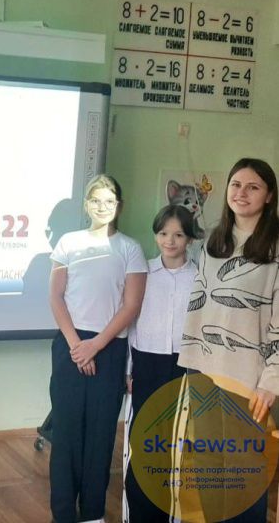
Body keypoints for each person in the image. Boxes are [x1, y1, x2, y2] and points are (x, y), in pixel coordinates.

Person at [179, 157, 279, 522]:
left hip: (249, 378)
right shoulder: (213, 241)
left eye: (253, 187)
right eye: (236, 185)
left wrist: (271, 381)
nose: (242, 193)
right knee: (209, 462)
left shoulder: (275, 248)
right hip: (203, 369)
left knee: (243, 469)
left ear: (269, 196)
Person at [48, 174, 147, 523]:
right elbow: (56, 297)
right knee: (66, 433)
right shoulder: (68, 243)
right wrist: (77, 346)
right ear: (86, 204)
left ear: (119, 205)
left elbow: (131, 306)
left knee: (101, 435)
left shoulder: (130, 248)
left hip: (109, 347)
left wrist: (96, 346)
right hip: (70, 345)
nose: (102, 207)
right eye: (95, 200)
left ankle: (92, 514)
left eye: (109, 201)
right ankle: (63, 513)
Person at [123, 204, 197, 522]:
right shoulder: (142, 274)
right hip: (147, 363)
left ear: (190, 239)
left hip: (185, 365)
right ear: (155, 236)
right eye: (164, 233)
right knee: (145, 443)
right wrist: (128, 369)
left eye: (178, 234)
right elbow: (130, 322)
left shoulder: (201, 277)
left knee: (177, 446)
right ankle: (141, 515)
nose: (170, 241)